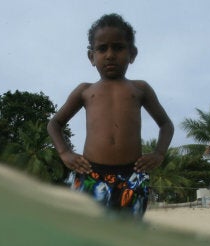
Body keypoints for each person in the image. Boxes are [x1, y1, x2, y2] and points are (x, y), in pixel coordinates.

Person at [47, 13, 174, 219]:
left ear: (132, 54)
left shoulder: (139, 89)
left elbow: (166, 124)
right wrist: (65, 153)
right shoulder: (85, 91)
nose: (110, 55)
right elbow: (55, 123)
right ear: (91, 56)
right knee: (87, 233)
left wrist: (159, 153)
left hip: (133, 174)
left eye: (118, 47)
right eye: (102, 48)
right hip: (90, 173)